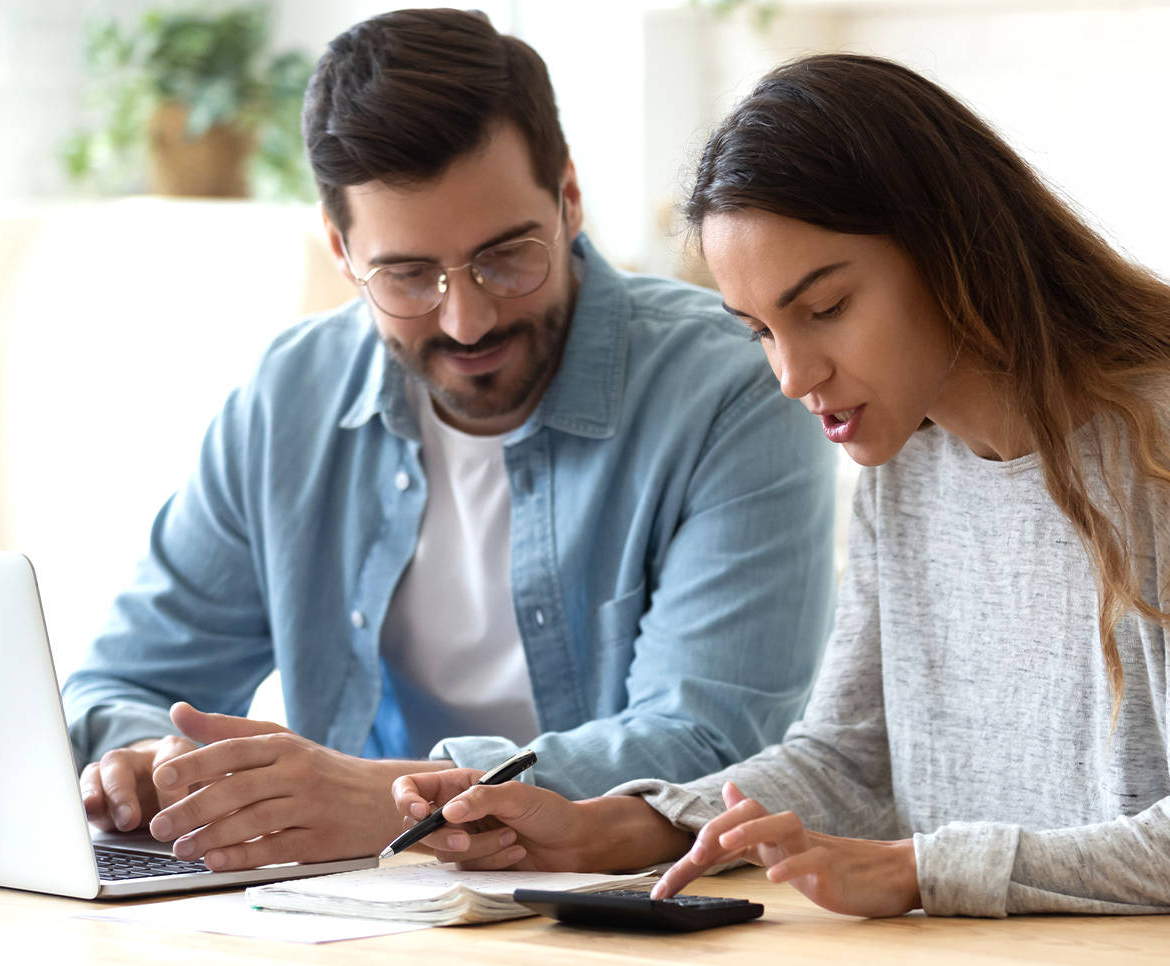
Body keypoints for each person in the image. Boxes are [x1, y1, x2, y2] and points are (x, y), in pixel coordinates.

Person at [390, 52, 1170, 917]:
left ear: (952, 250)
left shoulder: (1152, 447)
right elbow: (847, 759)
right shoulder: (907, 460)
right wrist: (609, 827)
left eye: (826, 308)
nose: (793, 376)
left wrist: (922, 870)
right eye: (760, 329)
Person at [60, 9, 836, 871]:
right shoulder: (291, 396)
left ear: (570, 197)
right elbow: (121, 683)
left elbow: (710, 742)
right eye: (407, 275)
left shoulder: (732, 388)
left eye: (506, 257)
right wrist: (152, 765)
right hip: (350, 907)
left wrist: (383, 798)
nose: (466, 318)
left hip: (617, 902)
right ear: (341, 248)